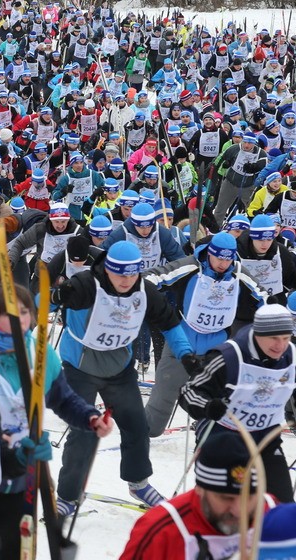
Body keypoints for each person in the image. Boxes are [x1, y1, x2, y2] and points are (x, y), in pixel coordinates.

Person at [49, 239, 199, 515]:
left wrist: (186, 354)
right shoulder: (86, 284)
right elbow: (50, 302)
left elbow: (170, 324)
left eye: (132, 273)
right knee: (85, 430)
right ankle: (68, 496)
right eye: (121, 273)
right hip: (80, 366)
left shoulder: (145, 291)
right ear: (108, 269)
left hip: (118, 369)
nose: (127, 280)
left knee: (137, 426)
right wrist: (53, 297)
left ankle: (138, 482)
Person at [0, 281, 112, 559]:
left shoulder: (39, 352)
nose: (20, 320)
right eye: (10, 313)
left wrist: (90, 418)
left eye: (25, 312)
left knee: (15, 547)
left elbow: (62, 398)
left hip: (23, 471)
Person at [143, 231, 266, 437]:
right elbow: (155, 276)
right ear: (210, 253)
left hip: (216, 352)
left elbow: (264, 295)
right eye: (219, 258)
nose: (223, 264)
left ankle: (212, 440)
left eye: (228, 260)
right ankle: (141, 433)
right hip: (181, 344)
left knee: (214, 405)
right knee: (160, 407)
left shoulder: (238, 273)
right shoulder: (191, 266)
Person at [179, 303, 296, 503]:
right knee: (224, 504)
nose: (280, 345)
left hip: (265, 436)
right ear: (258, 333)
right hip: (223, 435)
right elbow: (188, 391)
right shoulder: (229, 356)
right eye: (274, 338)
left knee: (282, 505)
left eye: (286, 338)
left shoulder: (291, 355)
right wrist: (208, 407)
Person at [120, 432, 278, 559]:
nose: (238, 510)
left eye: (247, 498)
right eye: (225, 498)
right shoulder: (160, 531)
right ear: (199, 489)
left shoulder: (271, 511)